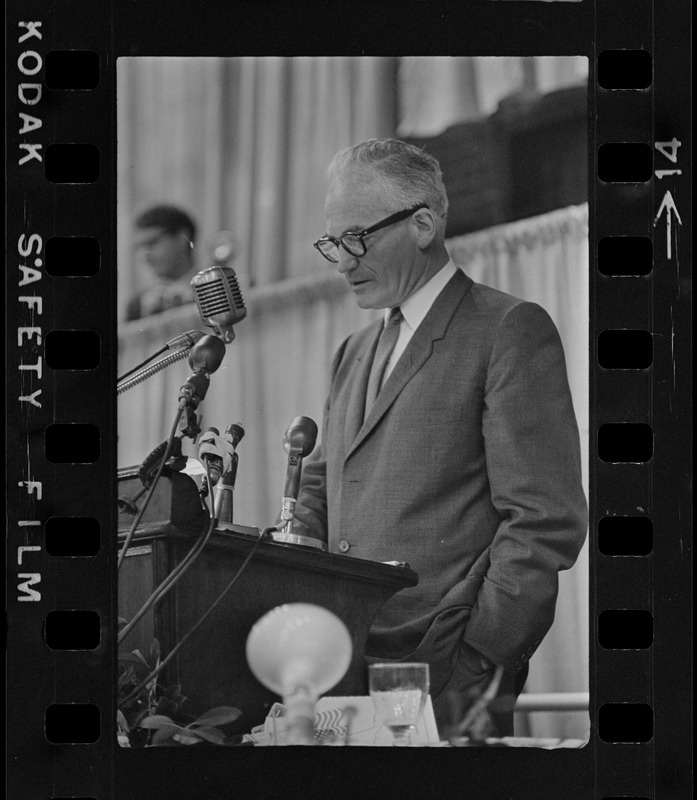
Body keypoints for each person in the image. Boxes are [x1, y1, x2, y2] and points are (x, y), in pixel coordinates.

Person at [293, 138, 588, 736]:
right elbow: (322, 488)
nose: (344, 262)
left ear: (423, 223)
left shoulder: (507, 328)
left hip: (452, 670)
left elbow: (544, 519)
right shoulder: (352, 352)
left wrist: (479, 659)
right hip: (343, 669)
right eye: (333, 243)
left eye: (357, 238)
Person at [126, 204, 198, 322]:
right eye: (140, 247)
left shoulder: (217, 290)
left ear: (183, 238)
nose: (145, 256)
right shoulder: (137, 306)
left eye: (152, 243)